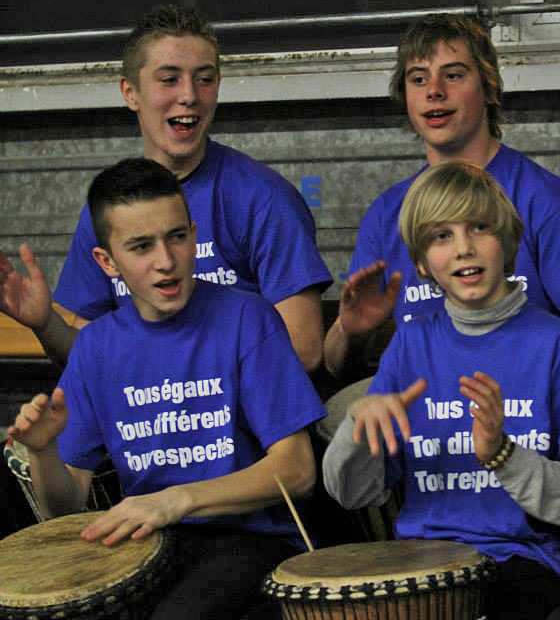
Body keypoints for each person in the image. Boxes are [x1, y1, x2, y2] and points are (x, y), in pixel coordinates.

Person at [7, 158, 326, 619]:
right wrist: (44, 452)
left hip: (251, 543)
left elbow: (297, 470)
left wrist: (175, 500)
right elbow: (65, 507)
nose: (166, 261)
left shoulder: (247, 318)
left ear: (194, 234)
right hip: (146, 547)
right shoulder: (97, 346)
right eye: (141, 246)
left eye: (177, 237)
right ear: (107, 261)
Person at [322, 161, 560, 619]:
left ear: (509, 243)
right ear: (423, 264)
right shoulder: (411, 343)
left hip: (528, 563)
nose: (464, 248)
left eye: (480, 228)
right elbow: (352, 494)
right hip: (421, 565)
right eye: (441, 236)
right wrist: (357, 428)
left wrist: (504, 456)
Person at [0, 4, 330, 372]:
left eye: (204, 79)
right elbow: (89, 354)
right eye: (169, 79)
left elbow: (303, 350)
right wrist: (45, 323)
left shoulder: (264, 198)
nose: (189, 95)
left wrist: (167, 376)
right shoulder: (110, 205)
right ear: (131, 93)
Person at [323, 13, 560, 378]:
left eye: (453, 75)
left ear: (489, 88)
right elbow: (334, 363)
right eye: (418, 79)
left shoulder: (543, 198)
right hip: (426, 417)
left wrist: (532, 365)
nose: (434, 90)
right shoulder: (388, 212)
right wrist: (351, 332)